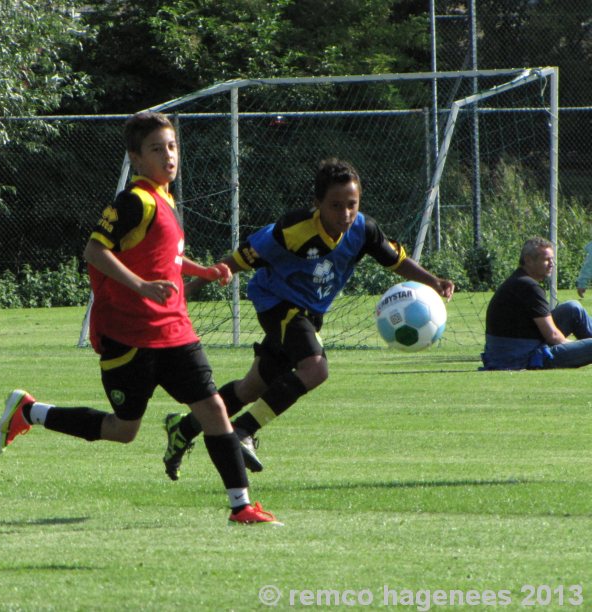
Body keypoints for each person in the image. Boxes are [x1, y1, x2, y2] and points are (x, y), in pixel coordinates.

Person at [0, 111, 282, 526]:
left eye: (172, 146)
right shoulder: (134, 201)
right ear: (136, 158)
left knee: (214, 410)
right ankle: (29, 412)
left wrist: (201, 271)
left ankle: (241, 507)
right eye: (157, 149)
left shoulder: (165, 198)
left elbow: (166, 257)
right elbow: (95, 251)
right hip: (129, 336)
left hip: (174, 330)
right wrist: (142, 287)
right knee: (124, 430)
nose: (169, 156)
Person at [162, 157, 454, 480]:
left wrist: (433, 281)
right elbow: (237, 259)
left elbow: (395, 260)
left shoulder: (363, 230)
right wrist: (190, 287)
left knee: (252, 387)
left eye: (352, 205)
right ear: (317, 204)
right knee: (315, 368)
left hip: (310, 313)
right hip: (276, 303)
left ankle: (183, 427)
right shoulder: (292, 231)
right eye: (335, 206)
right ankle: (244, 429)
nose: (345, 214)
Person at [482, 236, 592, 370]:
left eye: (552, 259)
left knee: (573, 308)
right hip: (523, 358)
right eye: (546, 259)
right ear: (528, 260)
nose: (552, 263)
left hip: (508, 352)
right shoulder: (529, 286)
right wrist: (582, 347)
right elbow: (553, 337)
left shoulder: (519, 280)